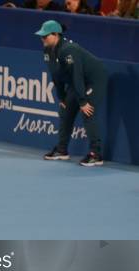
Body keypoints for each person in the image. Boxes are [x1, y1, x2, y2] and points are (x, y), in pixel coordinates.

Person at [36, 20, 108, 167]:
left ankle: (96, 154)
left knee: (88, 111)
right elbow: (55, 74)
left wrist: (82, 101)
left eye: (45, 36)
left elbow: (77, 76)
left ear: (56, 35)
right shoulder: (47, 50)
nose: (42, 38)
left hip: (94, 79)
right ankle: (62, 150)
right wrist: (61, 96)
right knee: (65, 110)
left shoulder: (69, 49)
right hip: (78, 82)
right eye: (41, 36)